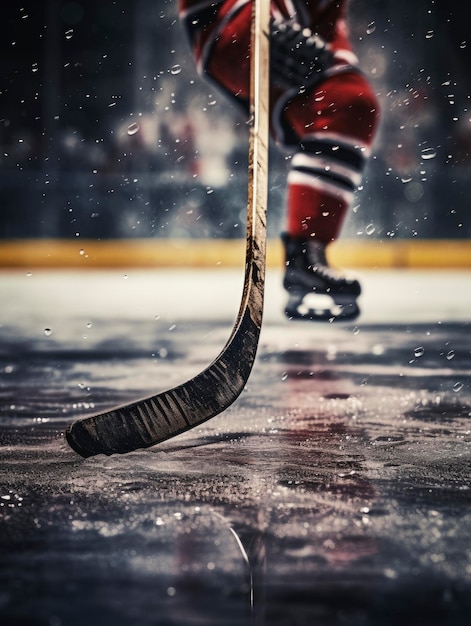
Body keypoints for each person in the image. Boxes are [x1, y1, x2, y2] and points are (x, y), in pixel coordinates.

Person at [178, 0, 380, 321]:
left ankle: (306, 257)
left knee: (348, 102)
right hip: (235, 13)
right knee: (338, 91)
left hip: (303, 20)